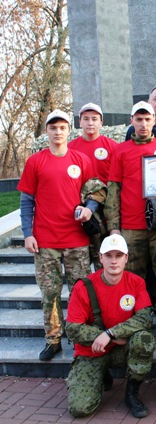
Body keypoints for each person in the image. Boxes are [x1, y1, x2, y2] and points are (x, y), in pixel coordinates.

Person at [17, 109, 104, 361]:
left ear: (69, 130)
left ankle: (81, 340)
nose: (58, 132)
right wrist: (27, 233)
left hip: (76, 241)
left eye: (62, 127)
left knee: (80, 292)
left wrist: (89, 210)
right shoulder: (35, 162)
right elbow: (26, 202)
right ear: (47, 131)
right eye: (53, 128)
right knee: (50, 294)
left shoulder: (80, 160)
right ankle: (53, 339)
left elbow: (94, 194)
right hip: (46, 242)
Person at [104, 101, 156, 349]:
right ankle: (134, 324)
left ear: (154, 121)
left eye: (147, 119)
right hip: (130, 225)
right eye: (138, 119)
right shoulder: (121, 150)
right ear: (132, 121)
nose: (143, 124)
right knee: (132, 278)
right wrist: (114, 227)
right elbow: (113, 190)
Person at [65, 234, 155, 418]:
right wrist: (105, 336)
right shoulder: (84, 287)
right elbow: (72, 328)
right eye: (109, 255)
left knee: (144, 339)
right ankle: (100, 374)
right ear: (100, 258)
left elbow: (145, 318)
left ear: (126, 258)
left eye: (119, 255)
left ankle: (131, 393)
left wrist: (112, 333)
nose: (114, 261)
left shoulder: (136, 283)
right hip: (93, 350)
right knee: (80, 409)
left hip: (122, 347)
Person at [69, 102, 118, 269]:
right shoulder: (71, 148)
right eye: (86, 119)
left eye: (94, 119)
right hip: (78, 209)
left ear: (101, 122)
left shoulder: (112, 146)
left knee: (102, 259)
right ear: (79, 122)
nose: (90, 123)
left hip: (104, 210)